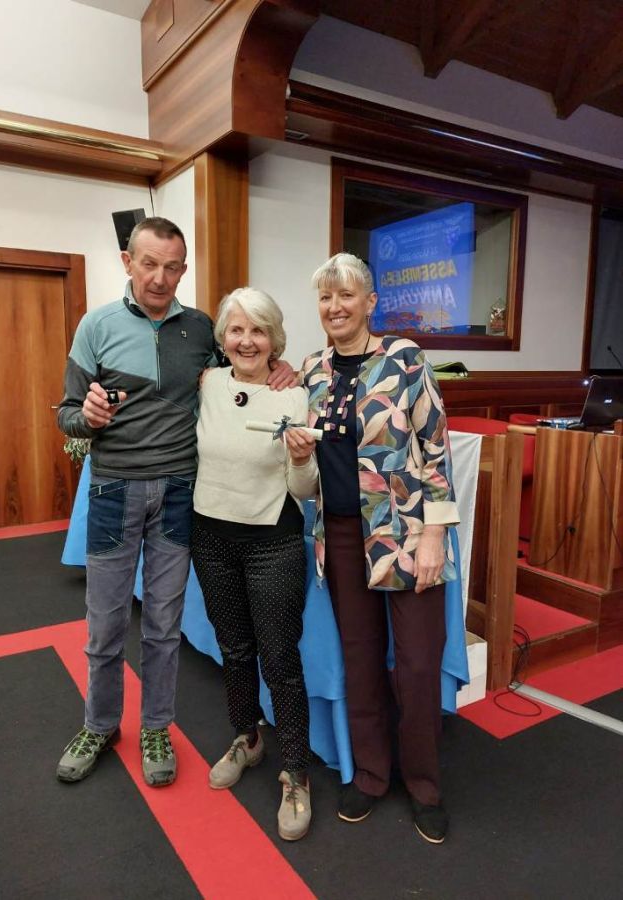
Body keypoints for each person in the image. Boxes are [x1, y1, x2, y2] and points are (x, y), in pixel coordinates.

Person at [55, 218, 292, 788]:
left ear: (183, 269)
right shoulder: (96, 325)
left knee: (163, 627)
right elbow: (65, 414)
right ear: (128, 262)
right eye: (149, 264)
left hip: (181, 493)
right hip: (113, 490)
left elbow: (242, 367)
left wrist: (281, 368)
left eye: (171, 267)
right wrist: (86, 417)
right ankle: (99, 724)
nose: (160, 278)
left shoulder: (202, 328)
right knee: (105, 625)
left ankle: (156, 727)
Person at [285, 253, 460, 844]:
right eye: (325, 297)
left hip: (406, 534)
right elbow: (306, 465)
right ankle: (371, 774)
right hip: (338, 535)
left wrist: (434, 534)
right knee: (360, 661)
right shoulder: (311, 371)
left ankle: (424, 785)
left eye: (346, 295)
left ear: (370, 302)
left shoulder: (405, 359)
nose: (335, 307)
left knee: (416, 665)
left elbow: (435, 452)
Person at [191, 287, 318, 841]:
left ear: (274, 339)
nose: (247, 340)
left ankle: (297, 773)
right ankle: (247, 738)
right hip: (210, 537)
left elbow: (304, 490)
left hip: (273, 541)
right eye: (237, 330)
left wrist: (302, 459)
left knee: (280, 658)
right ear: (223, 338)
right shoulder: (207, 384)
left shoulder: (296, 395)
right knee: (234, 648)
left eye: (258, 330)